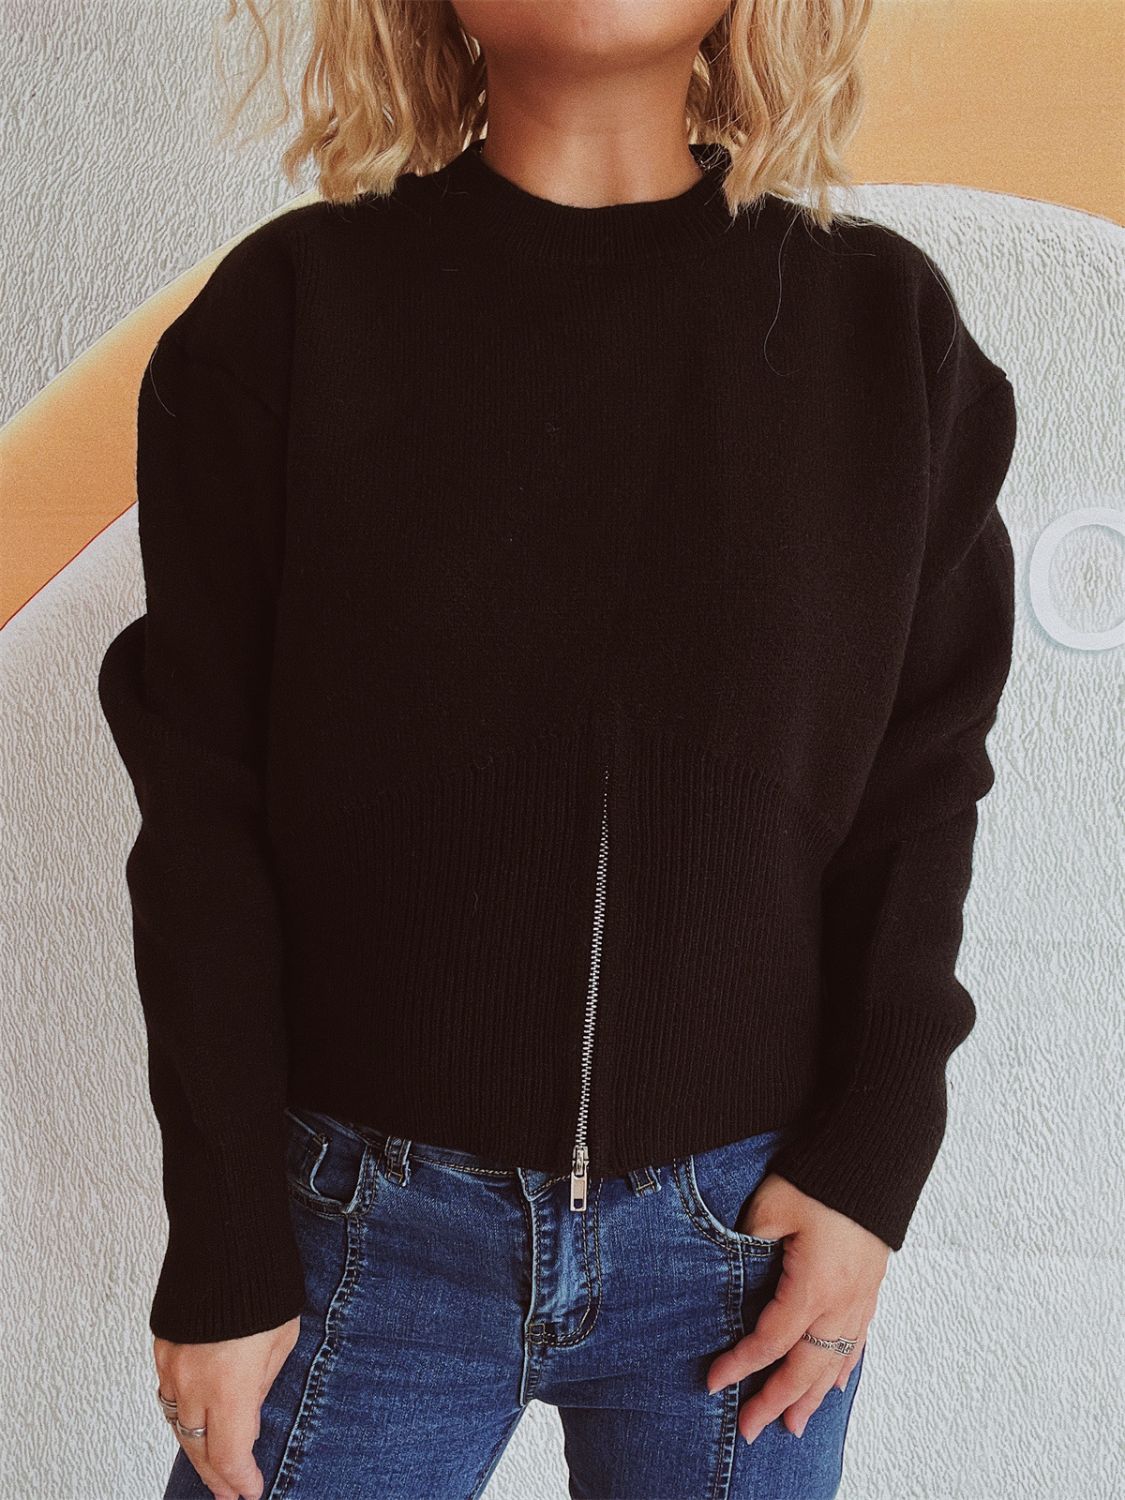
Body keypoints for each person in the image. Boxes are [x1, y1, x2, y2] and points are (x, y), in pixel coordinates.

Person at [97, 2, 1018, 1497]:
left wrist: (872, 1162)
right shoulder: (288, 314)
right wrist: (222, 1242)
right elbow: (200, 813)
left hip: (743, 1254)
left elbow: (922, 789)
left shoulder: (881, 331)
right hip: (357, 1237)